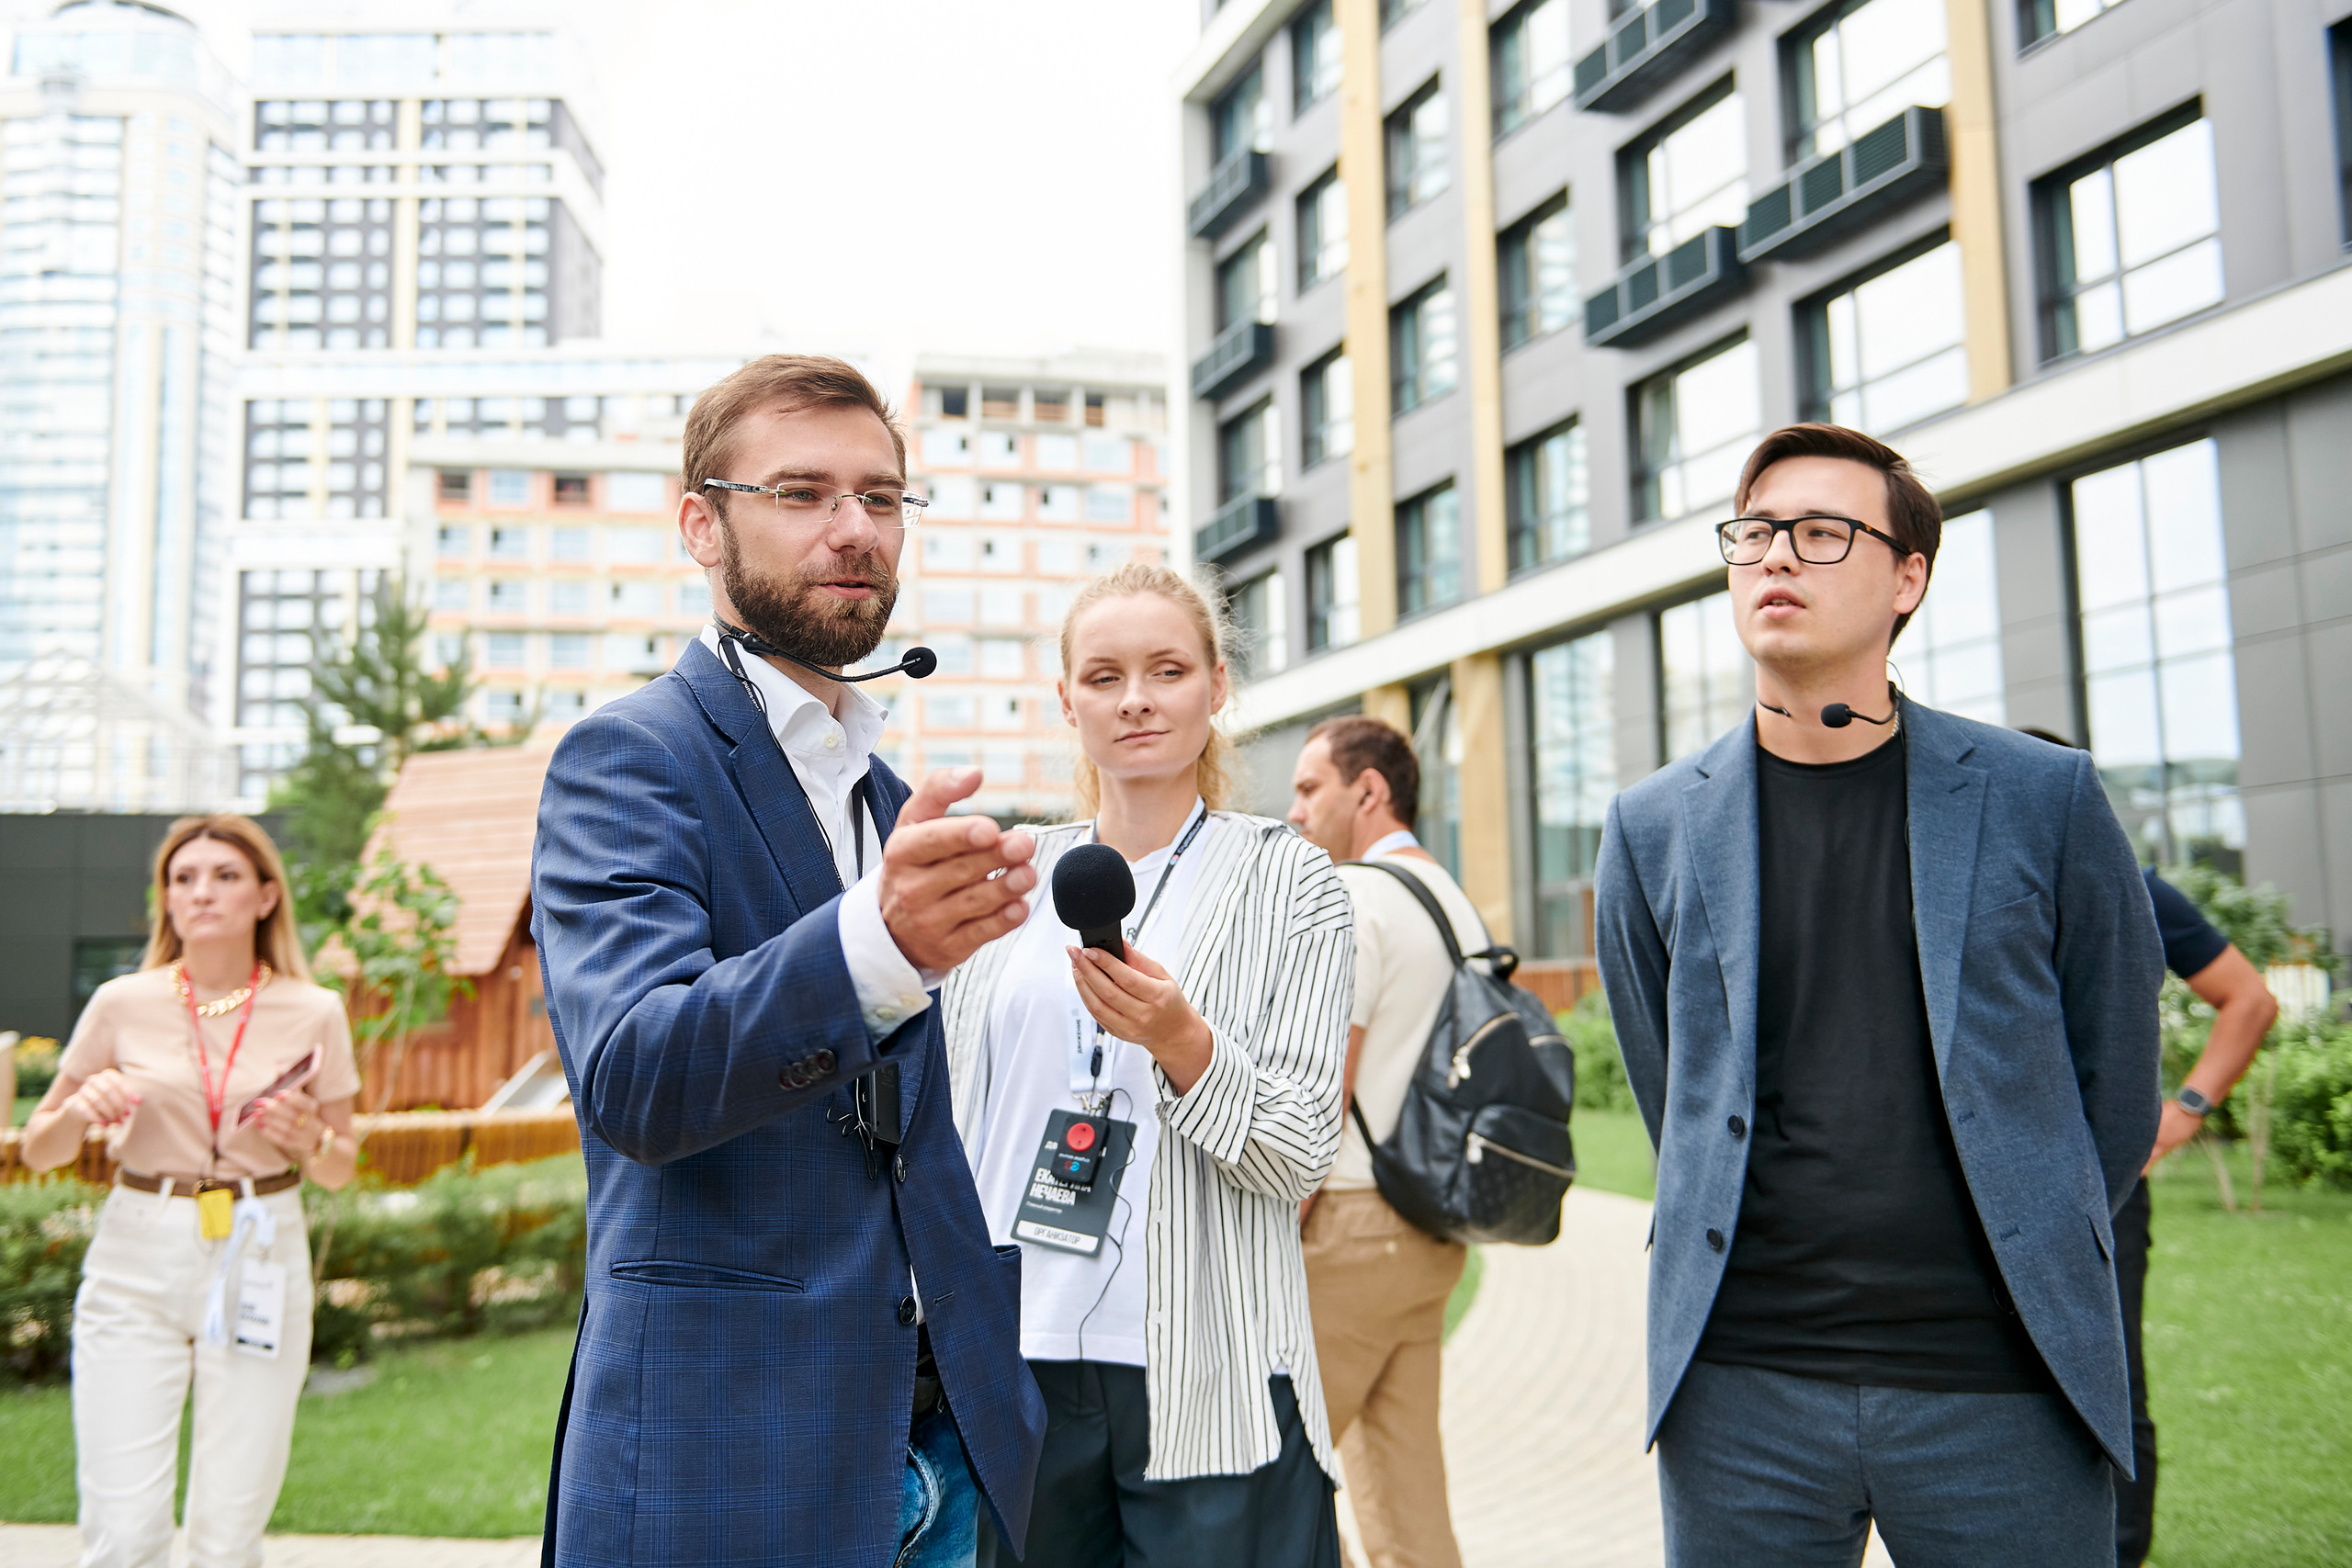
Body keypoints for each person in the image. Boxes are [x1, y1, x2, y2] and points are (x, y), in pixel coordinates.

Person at [1592, 423, 2163, 1566]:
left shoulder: (2040, 796)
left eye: (1819, 533)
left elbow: (2115, 1070)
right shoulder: (1651, 824)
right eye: (1753, 534)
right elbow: (1677, 1089)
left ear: (1907, 576)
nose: (1775, 560)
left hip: (2002, 1382)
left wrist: (2036, 1214)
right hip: (1740, 1386)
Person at [530, 355, 1046, 1567]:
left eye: (881, 495)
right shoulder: (629, 760)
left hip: (960, 1453)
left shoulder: (893, 797)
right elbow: (636, 1074)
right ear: (701, 525)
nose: (854, 527)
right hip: (736, 1455)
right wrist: (878, 944)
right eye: (803, 492)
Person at [940, 561, 1353, 1568]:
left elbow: (1300, 1154)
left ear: (1216, 689)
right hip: (1020, 1362)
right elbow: (946, 1129)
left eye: (1167, 670)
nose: (1134, 699)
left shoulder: (1289, 879)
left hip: (1212, 1367)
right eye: (1103, 676)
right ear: (1066, 702)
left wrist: (1184, 1045)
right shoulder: (1010, 884)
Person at [23, 814, 360, 1568]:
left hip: (261, 1243)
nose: (201, 891)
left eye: (225, 875)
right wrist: (78, 1111)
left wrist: (312, 1142)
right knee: (125, 1528)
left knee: (229, 1531)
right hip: (138, 1246)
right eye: (183, 878)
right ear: (165, 901)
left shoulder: (315, 1010)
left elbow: (343, 1165)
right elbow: (39, 1150)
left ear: (267, 896)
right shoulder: (120, 1001)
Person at [1283, 714, 1472, 1568]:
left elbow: (1326, 1087)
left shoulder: (1356, 897)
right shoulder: (1454, 902)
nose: (1293, 810)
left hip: (1353, 1232)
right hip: (1432, 1228)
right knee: (1404, 1496)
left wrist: (1278, 1224)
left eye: (1308, 787)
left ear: (1369, 790)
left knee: (1267, 1483)